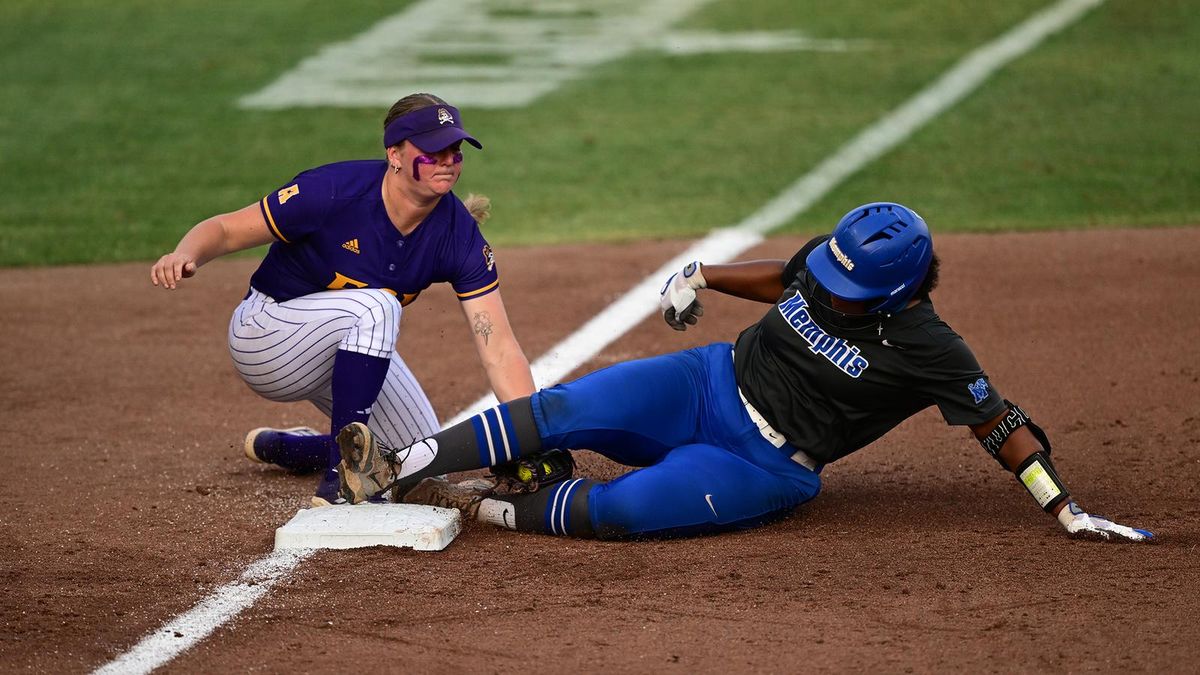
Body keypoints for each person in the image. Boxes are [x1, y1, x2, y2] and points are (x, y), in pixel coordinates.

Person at [334, 202, 1152, 542]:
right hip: (706, 379)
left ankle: (496, 508)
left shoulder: (933, 348)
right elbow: (786, 275)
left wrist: (1064, 505)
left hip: (761, 462)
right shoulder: (837, 257)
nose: (829, 288)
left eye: (848, 291)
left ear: (898, 294)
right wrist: (707, 275)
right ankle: (398, 466)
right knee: (567, 405)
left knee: (625, 511)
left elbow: (997, 422)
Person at [150, 93, 535, 506]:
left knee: (421, 458)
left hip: (346, 352)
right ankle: (341, 480)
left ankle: (289, 448)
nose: (447, 159)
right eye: (432, 149)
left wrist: (534, 437)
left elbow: (499, 348)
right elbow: (227, 229)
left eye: (455, 149)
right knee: (378, 305)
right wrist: (186, 253)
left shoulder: (457, 233)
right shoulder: (332, 191)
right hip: (267, 338)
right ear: (396, 154)